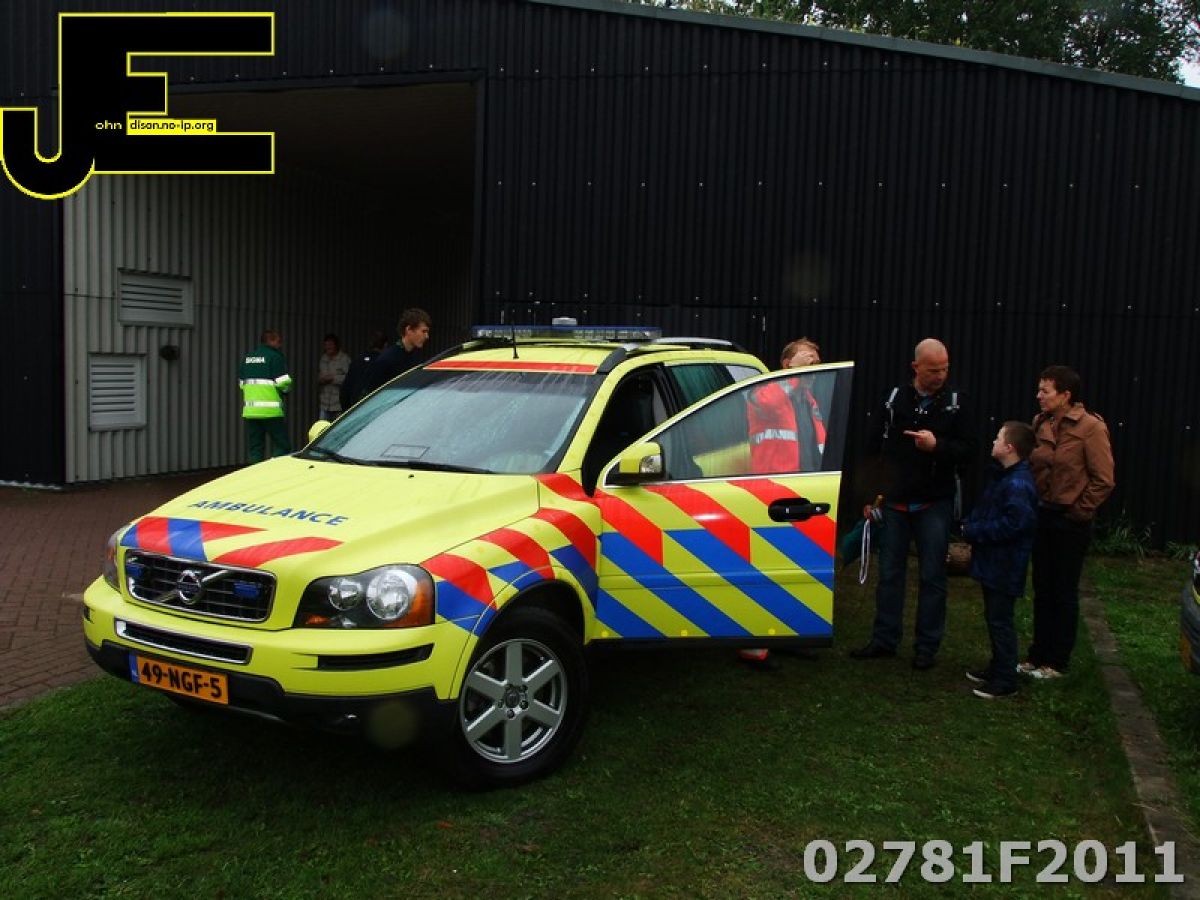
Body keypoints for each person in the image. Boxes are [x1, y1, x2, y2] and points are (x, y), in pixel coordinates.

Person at [851, 338, 976, 670]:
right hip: (894, 503)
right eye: (934, 370)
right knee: (890, 574)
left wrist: (937, 447)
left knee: (933, 576)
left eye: (945, 369)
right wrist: (869, 497)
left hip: (934, 503)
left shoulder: (956, 404)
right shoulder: (894, 400)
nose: (941, 375)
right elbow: (872, 449)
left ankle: (926, 647)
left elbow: (969, 451)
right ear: (916, 367)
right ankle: (884, 640)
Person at [1021, 365, 1115, 679]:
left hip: (1070, 522)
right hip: (1042, 515)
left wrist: (1079, 510)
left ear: (1065, 395)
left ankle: (1057, 661)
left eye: (1045, 390)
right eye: (1039, 389)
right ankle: (1037, 654)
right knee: (1043, 588)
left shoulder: (1091, 427)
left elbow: (1104, 480)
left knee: (1063, 590)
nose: (1039, 396)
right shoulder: (1040, 423)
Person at [740, 337, 824, 671]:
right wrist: (794, 377)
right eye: (807, 356)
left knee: (795, 568)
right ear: (787, 363)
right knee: (765, 571)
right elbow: (770, 402)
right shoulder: (765, 391)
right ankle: (753, 646)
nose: (814, 361)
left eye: (817, 357)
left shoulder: (808, 398)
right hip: (771, 495)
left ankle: (787, 635)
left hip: (803, 493)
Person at [961, 421, 1039, 699]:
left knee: (1000, 620)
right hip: (994, 562)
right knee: (994, 617)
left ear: (1009, 447)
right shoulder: (1003, 477)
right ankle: (998, 667)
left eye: (998, 438)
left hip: (1005, 564)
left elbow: (1015, 524)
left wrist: (975, 531)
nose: (993, 442)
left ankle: (1006, 679)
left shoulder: (1018, 483)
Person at [238, 329, 293, 463]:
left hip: (251, 411)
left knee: (256, 448)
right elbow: (283, 383)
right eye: (278, 341)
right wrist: (287, 390)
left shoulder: (247, 358)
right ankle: (274, 468)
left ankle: (255, 472)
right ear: (271, 341)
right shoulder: (275, 357)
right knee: (282, 445)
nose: (280, 345)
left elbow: (241, 384)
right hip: (271, 412)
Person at [361, 308, 432, 396]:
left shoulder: (416, 358)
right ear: (408, 329)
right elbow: (369, 394)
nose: (427, 336)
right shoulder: (387, 359)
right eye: (424, 331)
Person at [340, 329, 388, 411]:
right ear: (385, 345)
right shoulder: (385, 363)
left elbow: (345, 389)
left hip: (356, 409)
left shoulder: (357, 361)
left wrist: (347, 411)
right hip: (375, 409)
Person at [317, 333, 351, 421]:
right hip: (324, 404)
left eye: (330, 345)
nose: (328, 347)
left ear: (336, 345)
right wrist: (321, 379)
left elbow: (349, 378)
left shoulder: (344, 359)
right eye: (326, 345)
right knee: (323, 427)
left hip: (338, 405)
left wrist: (334, 378)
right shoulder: (323, 358)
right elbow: (319, 377)